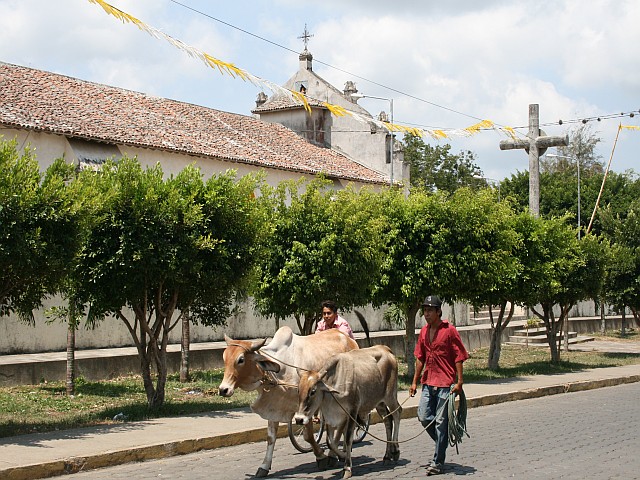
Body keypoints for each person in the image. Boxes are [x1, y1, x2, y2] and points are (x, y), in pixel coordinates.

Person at [409, 295, 469, 476]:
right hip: (429, 381)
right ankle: (441, 444)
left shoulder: (449, 331)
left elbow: (458, 356)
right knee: (424, 416)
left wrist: (459, 381)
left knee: (442, 422)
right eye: (425, 310)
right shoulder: (424, 332)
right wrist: (414, 382)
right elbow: (420, 358)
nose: (426, 314)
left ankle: (437, 461)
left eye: (430, 310)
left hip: (445, 383)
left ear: (438, 312)